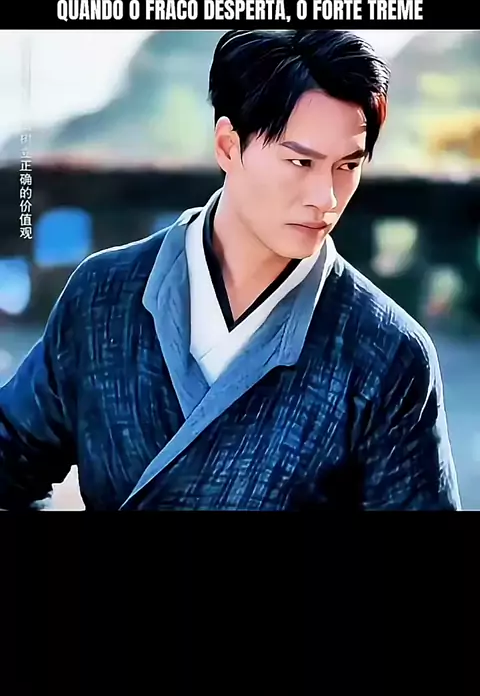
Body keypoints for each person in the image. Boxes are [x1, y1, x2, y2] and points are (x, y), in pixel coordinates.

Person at [0, 29, 461, 511]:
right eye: (300, 161)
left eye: (347, 166)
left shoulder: (388, 353)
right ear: (227, 146)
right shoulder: (104, 295)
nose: (325, 198)